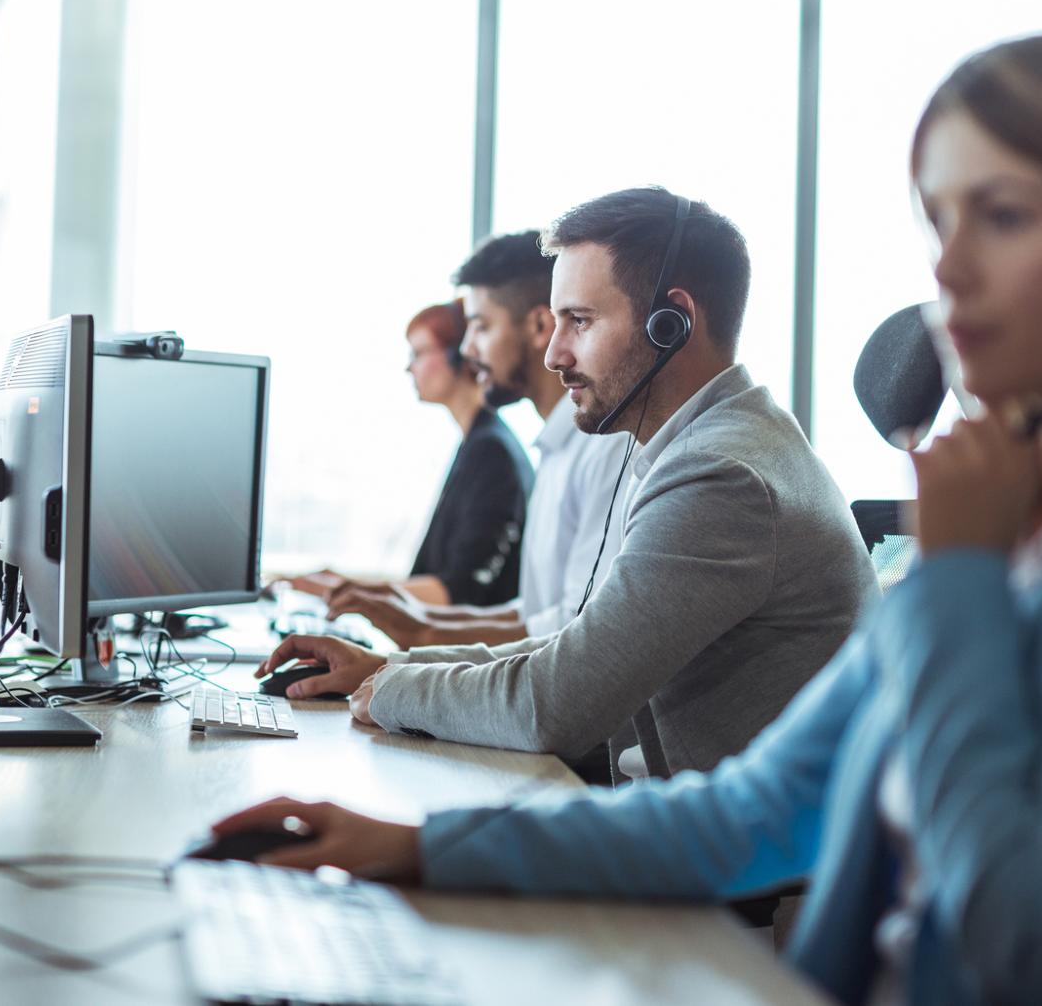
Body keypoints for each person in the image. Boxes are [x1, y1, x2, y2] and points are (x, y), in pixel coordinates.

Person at [214, 32, 1042, 1006]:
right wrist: (415, 847)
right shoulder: (1018, 524)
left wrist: (958, 579)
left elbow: (1024, 938)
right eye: (937, 221)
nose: (946, 271)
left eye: (1002, 217)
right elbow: (751, 813)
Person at [256, 190, 878, 785]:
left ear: (674, 323)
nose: (554, 354)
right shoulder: (726, 442)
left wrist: (389, 691)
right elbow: (577, 651)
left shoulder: (720, 477)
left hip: (739, 879)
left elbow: (554, 705)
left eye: (579, 321)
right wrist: (392, 666)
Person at [322, 231, 631, 649]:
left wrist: (412, 647)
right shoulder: (554, 449)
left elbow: (572, 633)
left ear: (539, 325)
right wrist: (410, 616)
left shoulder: (603, 448)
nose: (467, 350)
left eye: (481, 327)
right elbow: (533, 614)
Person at [285, 301, 532, 608]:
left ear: (460, 355)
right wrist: (342, 583)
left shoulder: (491, 453)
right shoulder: (476, 443)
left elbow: (458, 591)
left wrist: (345, 590)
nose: (408, 367)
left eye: (418, 353)